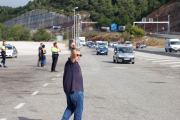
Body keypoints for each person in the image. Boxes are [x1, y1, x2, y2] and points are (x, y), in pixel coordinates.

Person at [62, 39, 84, 120]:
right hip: (76, 91)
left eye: (80, 55)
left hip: (70, 92)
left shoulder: (70, 64)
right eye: (77, 55)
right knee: (78, 110)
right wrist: (74, 48)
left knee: (70, 108)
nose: (78, 56)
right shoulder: (72, 62)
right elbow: (74, 56)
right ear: (72, 55)